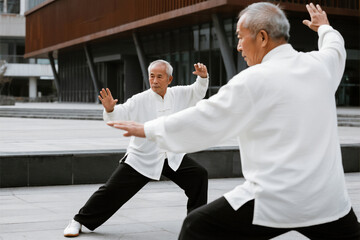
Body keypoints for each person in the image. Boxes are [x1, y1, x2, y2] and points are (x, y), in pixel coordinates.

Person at [108, 2, 360, 240]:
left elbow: (207, 117)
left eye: (240, 37)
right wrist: (324, 27)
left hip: (273, 200)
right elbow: (335, 47)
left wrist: (148, 128)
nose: (238, 46)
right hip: (328, 201)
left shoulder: (253, 80)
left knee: (196, 227)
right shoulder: (321, 65)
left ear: (262, 37)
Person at [63, 60, 209, 237]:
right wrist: (110, 110)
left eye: (159, 77)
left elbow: (197, 91)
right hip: (142, 158)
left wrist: (202, 78)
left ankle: (197, 224)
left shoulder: (178, 94)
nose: (154, 81)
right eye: (151, 76)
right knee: (111, 192)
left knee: (198, 176)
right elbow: (119, 115)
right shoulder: (140, 99)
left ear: (169, 79)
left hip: (171, 155)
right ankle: (78, 221)